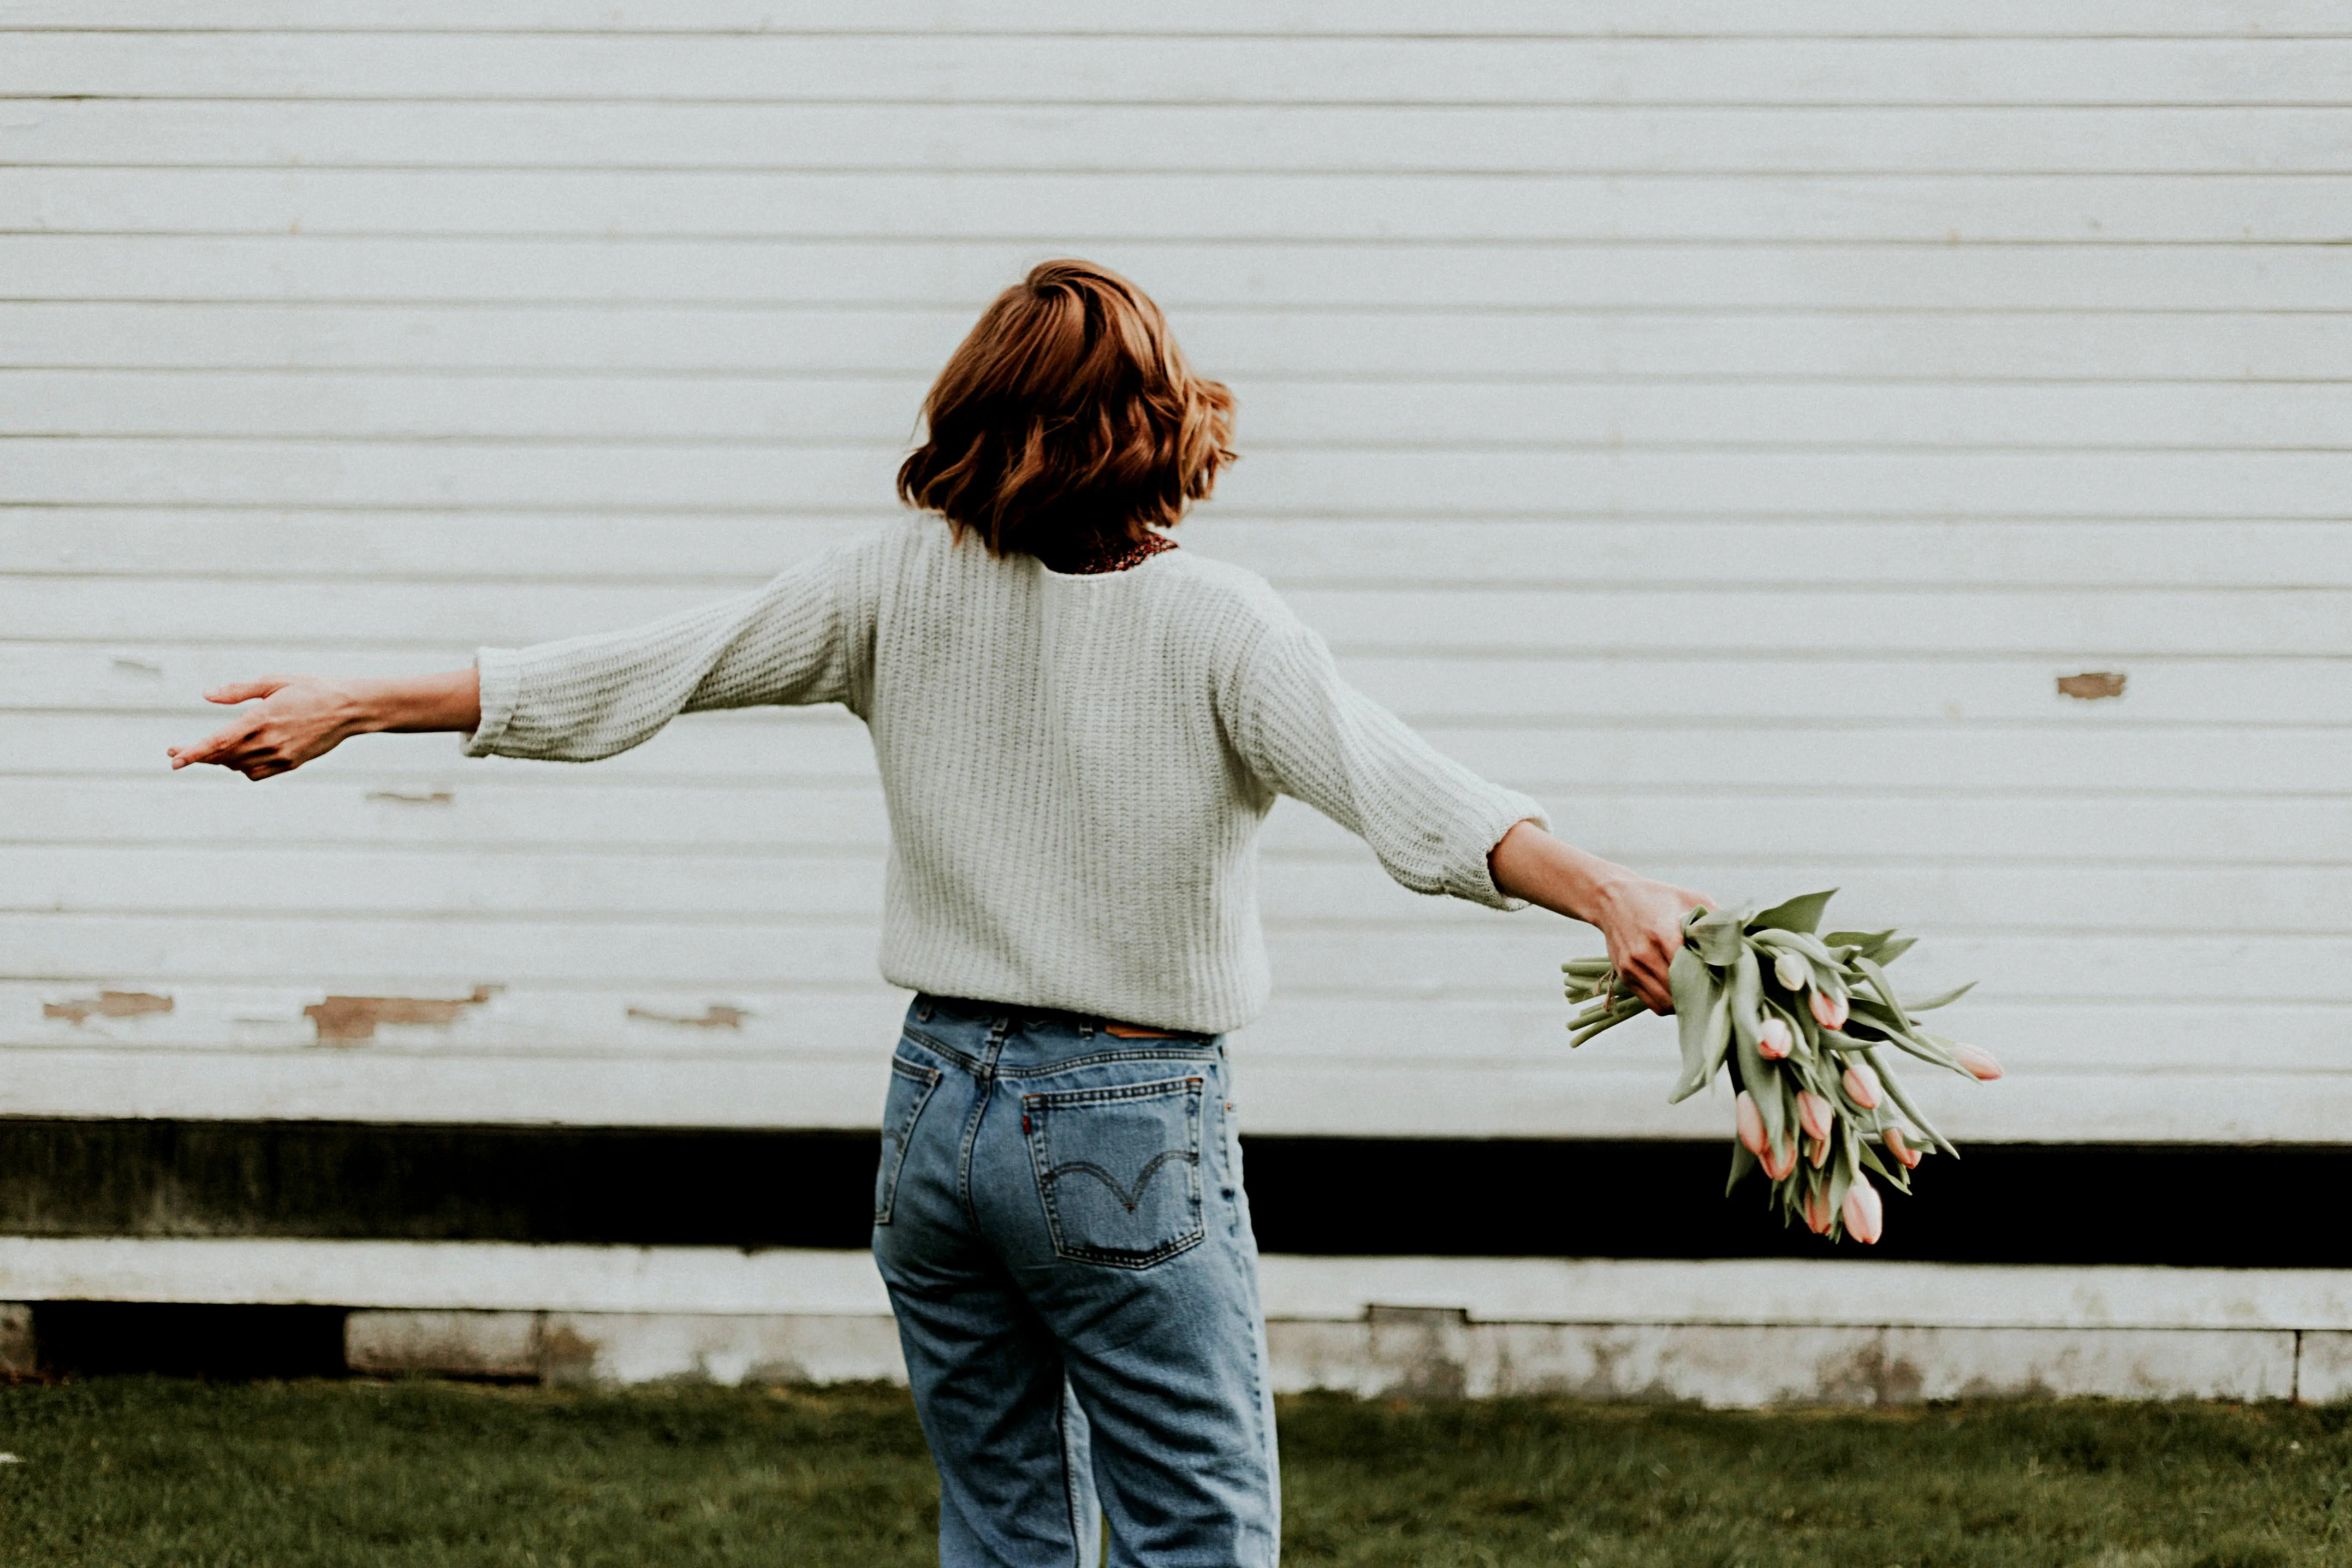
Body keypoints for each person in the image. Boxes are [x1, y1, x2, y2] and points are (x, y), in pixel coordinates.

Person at [170, 259, 1705, 1568]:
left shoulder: (897, 581)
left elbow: (642, 672)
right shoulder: (1221, 623)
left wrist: (360, 702)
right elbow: (1417, 799)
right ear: (1163, 423)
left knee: (1003, 1535)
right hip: (1123, 1121)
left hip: (936, 1114)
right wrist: (1607, 891)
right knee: (1200, 1534)